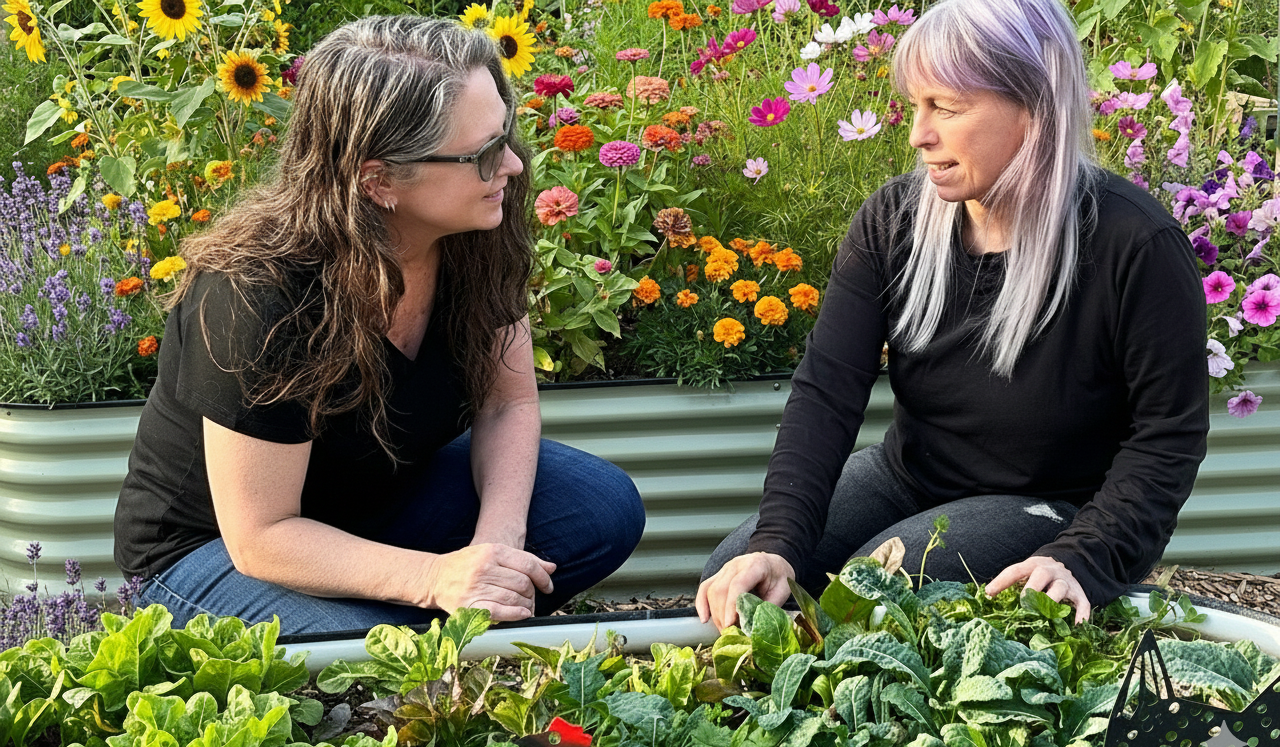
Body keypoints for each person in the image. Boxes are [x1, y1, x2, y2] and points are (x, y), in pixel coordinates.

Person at [114, 16, 646, 636]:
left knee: (599, 507)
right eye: (481, 154)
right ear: (379, 180)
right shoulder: (257, 291)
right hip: (213, 553)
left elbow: (508, 404)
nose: (512, 167)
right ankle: (392, 632)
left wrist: (495, 550)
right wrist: (433, 579)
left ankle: (399, 626)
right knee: (366, 647)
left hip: (380, 504)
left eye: (506, 135)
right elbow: (261, 536)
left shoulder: (476, 240)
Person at [697, 0, 1208, 630]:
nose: (918, 134)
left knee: (863, 610)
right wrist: (776, 540)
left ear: (1036, 109)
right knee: (740, 582)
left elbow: (1168, 435)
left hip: (1059, 507)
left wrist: (1085, 553)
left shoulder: (1135, 244)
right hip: (909, 477)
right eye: (916, 106)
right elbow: (827, 394)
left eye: (946, 106)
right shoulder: (893, 222)